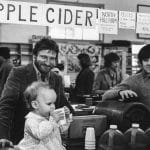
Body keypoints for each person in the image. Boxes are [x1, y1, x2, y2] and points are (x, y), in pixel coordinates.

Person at [0, 38, 74, 144]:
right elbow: (6, 107)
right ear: (34, 56)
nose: (48, 63)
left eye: (52, 58)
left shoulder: (56, 78)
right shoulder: (18, 73)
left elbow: (62, 105)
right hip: (23, 138)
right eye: (44, 57)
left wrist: (67, 113)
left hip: (48, 140)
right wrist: (3, 137)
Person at [17, 81, 71, 150]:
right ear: (35, 105)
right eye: (49, 104)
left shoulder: (50, 117)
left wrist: (66, 117)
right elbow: (40, 134)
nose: (53, 106)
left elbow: (61, 129)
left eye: (53, 103)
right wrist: (53, 120)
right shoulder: (31, 120)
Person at [102, 44, 150, 109]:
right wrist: (120, 92)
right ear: (141, 62)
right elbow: (106, 95)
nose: (149, 63)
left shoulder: (119, 73)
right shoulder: (135, 80)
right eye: (145, 60)